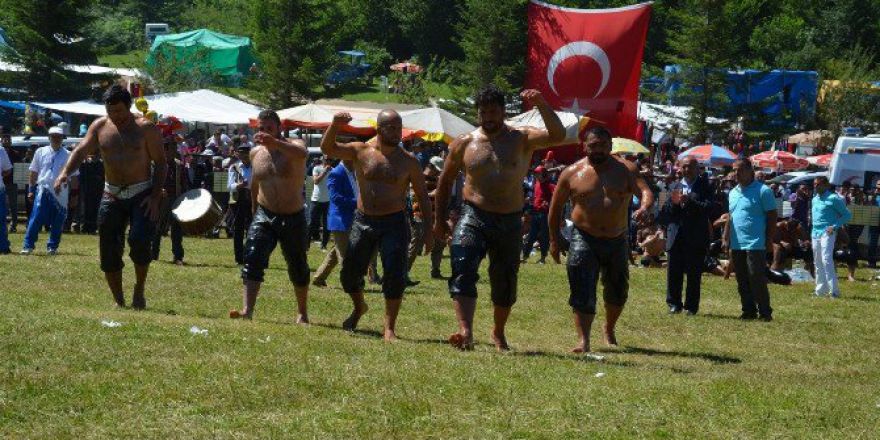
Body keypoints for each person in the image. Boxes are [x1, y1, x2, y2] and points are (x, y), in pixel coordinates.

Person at [433, 86, 565, 351]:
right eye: (483, 112)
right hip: (473, 213)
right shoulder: (464, 142)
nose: (488, 117)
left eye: (494, 112)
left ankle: (498, 332)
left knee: (504, 278)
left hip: (509, 217)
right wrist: (439, 220)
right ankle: (465, 331)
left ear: (504, 111)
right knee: (462, 266)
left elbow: (558, 135)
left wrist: (540, 103)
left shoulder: (522, 138)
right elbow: (445, 181)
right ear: (478, 113)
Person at [321, 109, 433, 342]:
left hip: (394, 222)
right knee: (349, 274)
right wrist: (334, 125)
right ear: (379, 129)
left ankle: (389, 328)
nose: (396, 132)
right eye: (391, 127)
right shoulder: (361, 150)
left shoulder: (409, 161)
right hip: (364, 220)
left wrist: (429, 232)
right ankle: (359, 306)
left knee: (394, 275)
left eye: (398, 127)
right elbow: (327, 149)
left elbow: (422, 196)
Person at [54, 85, 166, 309]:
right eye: (111, 112)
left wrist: (154, 197)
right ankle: (118, 299)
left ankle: (139, 289)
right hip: (111, 193)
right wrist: (65, 173)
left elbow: (161, 163)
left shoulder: (146, 129)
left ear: (129, 107)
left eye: (120, 112)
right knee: (108, 248)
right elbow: (81, 151)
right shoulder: (100, 126)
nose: (116, 117)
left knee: (140, 241)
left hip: (141, 192)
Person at [548, 126, 654, 353]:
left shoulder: (626, 169)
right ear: (584, 146)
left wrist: (645, 206)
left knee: (617, 290)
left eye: (603, 145)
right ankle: (583, 340)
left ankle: (609, 328)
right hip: (584, 236)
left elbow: (645, 191)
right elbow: (555, 210)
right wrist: (554, 241)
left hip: (617, 237)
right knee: (582, 287)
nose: (598, 150)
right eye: (593, 145)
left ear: (610, 146)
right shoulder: (571, 173)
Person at [229, 110, 310, 322]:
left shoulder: (295, 145)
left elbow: (303, 155)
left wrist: (275, 143)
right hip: (265, 213)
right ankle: (247, 310)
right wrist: (255, 210)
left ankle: (302, 313)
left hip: (293, 214)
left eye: (269, 129)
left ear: (279, 128)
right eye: (261, 129)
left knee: (298, 264)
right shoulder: (256, 153)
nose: (264, 133)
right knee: (253, 256)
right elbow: (255, 184)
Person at [657, 156, 712, 315]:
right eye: (684, 167)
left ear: (697, 168)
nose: (687, 170)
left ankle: (691, 306)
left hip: (695, 236)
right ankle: (674, 304)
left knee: (694, 274)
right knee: (673, 272)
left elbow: (709, 209)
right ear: (679, 168)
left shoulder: (705, 187)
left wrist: (690, 202)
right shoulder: (672, 185)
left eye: (690, 167)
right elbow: (663, 212)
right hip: (675, 236)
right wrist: (673, 204)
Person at [722, 159, 776, 321]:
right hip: (737, 242)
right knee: (741, 278)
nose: (735, 174)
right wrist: (726, 237)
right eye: (734, 170)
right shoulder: (733, 192)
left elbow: (772, 216)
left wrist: (769, 239)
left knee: (756, 277)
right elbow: (730, 216)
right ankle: (748, 310)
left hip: (756, 242)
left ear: (749, 171)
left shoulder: (763, 191)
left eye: (739, 170)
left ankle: (765, 312)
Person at [22, 126, 79, 255]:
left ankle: (52, 247)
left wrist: (74, 195)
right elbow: (33, 171)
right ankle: (28, 245)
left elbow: (75, 176)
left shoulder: (69, 154)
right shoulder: (40, 151)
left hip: (61, 191)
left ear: (62, 138)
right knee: (36, 217)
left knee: (58, 220)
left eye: (58, 136)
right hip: (43, 188)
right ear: (49, 137)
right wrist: (31, 189)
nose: (56, 139)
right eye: (53, 136)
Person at [312, 159, 358, 287]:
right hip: (340, 220)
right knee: (345, 255)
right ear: (347, 157)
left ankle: (318, 278)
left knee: (335, 253)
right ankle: (350, 283)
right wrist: (357, 203)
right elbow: (335, 197)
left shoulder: (352, 172)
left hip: (350, 217)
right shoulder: (336, 173)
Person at [810, 176, 851, 297]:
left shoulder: (834, 198)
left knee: (826, 260)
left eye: (818, 184)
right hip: (815, 232)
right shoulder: (814, 199)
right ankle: (820, 291)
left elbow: (847, 215)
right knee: (817, 261)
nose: (815, 187)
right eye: (814, 184)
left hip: (827, 232)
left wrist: (835, 226)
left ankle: (834, 291)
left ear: (825, 185)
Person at [151, 138, 188, 265]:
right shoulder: (156, 164)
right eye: (172, 149)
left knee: (176, 229)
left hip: (176, 200)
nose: (175, 151)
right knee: (157, 228)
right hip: (160, 200)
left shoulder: (179, 165)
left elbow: (184, 183)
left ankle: (178, 256)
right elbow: (149, 181)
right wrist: (158, 189)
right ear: (165, 150)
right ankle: (153, 254)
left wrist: (184, 198)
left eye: (175, 149)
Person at [521, 166, 554, 264]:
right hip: (535, 213)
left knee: (544, 237)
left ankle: (543, 258)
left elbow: (556, 198)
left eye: (537, 173)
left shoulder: (550, 186)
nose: (535, 175)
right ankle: (525, 256)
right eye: (535, 173)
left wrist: (549, 203)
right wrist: (530, 200)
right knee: (531, 235)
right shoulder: (536, 184)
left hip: (544, 214)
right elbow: (536, 197)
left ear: (543, 174)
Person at [228, 143, 254, 265]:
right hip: (239, 200)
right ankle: (239, 257)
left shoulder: (256, 167)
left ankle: (249, 255)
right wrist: (239, 185)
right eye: (241, 153)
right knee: (238, 229)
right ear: (238, 154)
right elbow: (230, 186)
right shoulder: (234, 168)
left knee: (252, 229)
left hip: (253, 199)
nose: (244, 155)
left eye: (246, 153)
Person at [309, 156, 331, 249]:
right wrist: (325, 171)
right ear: (323, 160)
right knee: (312, 223)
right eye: (326, 159)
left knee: (327, 225)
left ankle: (324, 245)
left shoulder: (333, 170)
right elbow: (316, 181)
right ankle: (306, 244)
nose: (328, 161)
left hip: (328, 201)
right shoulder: (316, 168)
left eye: (330, 160)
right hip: (316, 200)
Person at [1, 133, 21, 233]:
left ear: (11, 141)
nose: (6, 141)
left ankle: (14, 224)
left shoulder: (16, 154)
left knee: (13, 205)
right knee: (2, 205)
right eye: (4, 139)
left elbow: (20, 168)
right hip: (1, 183)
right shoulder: (0, 152)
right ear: (1, 141)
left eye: (8, 140)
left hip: (12, 183)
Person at [0, 142, 12, 253]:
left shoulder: (1, 150)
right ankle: (3, 246)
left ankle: (3, 246)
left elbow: (8, 169)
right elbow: (7, 170)